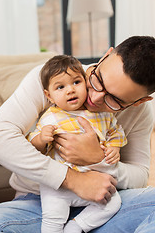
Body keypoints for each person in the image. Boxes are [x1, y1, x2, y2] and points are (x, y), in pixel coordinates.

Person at [0, 36, 155, 233]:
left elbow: (140, 177)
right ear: (106, 56)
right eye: (98, 80)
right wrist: (71, 180)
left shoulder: (140, 112)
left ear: (139, 101)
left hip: (105, 205)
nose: (95, 97)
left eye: (115, 100)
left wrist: (100, 160)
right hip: (39, 204)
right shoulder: (56, 79)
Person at [29, 55, 126, 232]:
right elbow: (32, 146)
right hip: (58, 186)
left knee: (114, 202)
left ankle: (77, 226)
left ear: (85, 82)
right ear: (49, 95)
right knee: (52, 219)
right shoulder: (50, 117)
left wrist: (114, 147)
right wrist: (42, 139)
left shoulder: (102, 115)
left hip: (93, 182)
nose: (70, 90)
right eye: (60, 87)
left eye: (76, 82)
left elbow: (115, 131)